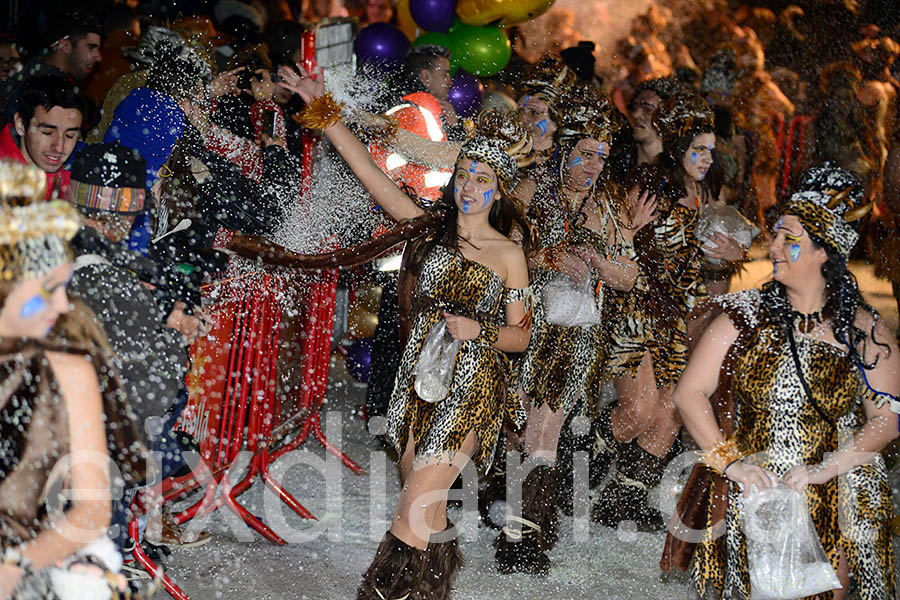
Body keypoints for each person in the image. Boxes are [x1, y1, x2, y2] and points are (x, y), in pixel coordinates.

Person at [279, 64, 533, 600]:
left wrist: (478, 329)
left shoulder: (511, 256)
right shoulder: (426, 227)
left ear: (499, 190)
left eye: (483, 179)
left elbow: (521, 337)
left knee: (413, 508)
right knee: (425, 498)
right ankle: (434, 584)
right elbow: (370, 173)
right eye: (464, 175)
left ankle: (382, 591)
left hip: (472, 386)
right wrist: (322, 111)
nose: (469, 187)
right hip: (419, 381)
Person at [663, 163, 899, 600]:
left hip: (832, 486)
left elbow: (887, 418)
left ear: (824, 252)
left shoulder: (863, 329)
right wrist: (733, 465)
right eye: (775, 234)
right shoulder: (744, 315)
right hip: (758, 490)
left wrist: (824, 470)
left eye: (789, 240)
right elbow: (689, 393)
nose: (772, 247)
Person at [590, 92, 743, 531]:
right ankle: (574, 465)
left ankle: (624, 498)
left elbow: (710, 275)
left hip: (681, 316)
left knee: (672, 413)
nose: (706, 158)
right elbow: (614, 241)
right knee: (638, 411)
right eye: (698, 149)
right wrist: (628, 232)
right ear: (678, 147)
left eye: (711, 151)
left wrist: (727, 260)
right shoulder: (651, 183)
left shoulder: (707, 193)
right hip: (638, 308)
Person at [0, 161, 146, 599]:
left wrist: (13, 569)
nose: (63, 305)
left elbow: (91, 511)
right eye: (48, 289)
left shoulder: (68, 371)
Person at [0, 11, 102, 124]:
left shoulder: (34, 71)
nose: (98, 57)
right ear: (65, 46)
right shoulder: (45, 88)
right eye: (91, 48)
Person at [0, 75, 87, 200]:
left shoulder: (77, 175)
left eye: (70, 135)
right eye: (47, 132)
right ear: (21, 125)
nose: (59, 147)